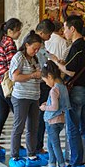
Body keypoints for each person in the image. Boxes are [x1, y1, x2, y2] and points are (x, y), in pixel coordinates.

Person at [54, 16, 85, 167]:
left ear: (72, 29)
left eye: (65, 28)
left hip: (76, 92)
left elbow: (70, 70)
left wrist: (56, 63)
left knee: (73, 128)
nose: (64, 32)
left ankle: (76, 163)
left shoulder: (77, 46)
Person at [7, 31, 44, 167]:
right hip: (21, 96)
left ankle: (31, 154)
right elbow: (15, 77)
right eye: (34, 48)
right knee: (19, 126)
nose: (36, 51)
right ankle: (15, 155)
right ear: (26, 45)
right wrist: (33, 75)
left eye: (38, 49)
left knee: (33, 127)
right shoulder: (19, 57)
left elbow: (38, 75)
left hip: (34, 96)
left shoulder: (34, 59)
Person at [0, 18, 22, 158]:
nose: (20, 32)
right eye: (18, 30)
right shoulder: (9, 43)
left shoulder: (1, 41)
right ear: (10, 31)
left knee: (1, 116)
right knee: (19, 116)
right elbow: (13, 65)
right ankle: (18, 146)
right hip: (7, 85)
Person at [36, 61, 70, 167]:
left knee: (55, 145)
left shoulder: (54, 89)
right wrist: (49, 102)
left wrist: (45, 107)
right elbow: (61, 104)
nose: (46, 83)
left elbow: (54, 107)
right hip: (60, 120)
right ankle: (52, 165)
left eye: (45, 81)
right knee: (50, 145)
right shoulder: (63, 86)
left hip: (52, 120)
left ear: (50, 76)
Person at [35, 19, 57, 158]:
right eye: (48, 35)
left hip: (41, 83)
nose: (49, 38)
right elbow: (42, 63)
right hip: (40, 83)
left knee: (40, 116)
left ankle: (37, 145)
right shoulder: (36, 45)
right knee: (40, 116)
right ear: (42, 32)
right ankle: (37, 146)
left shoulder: (40, 43)